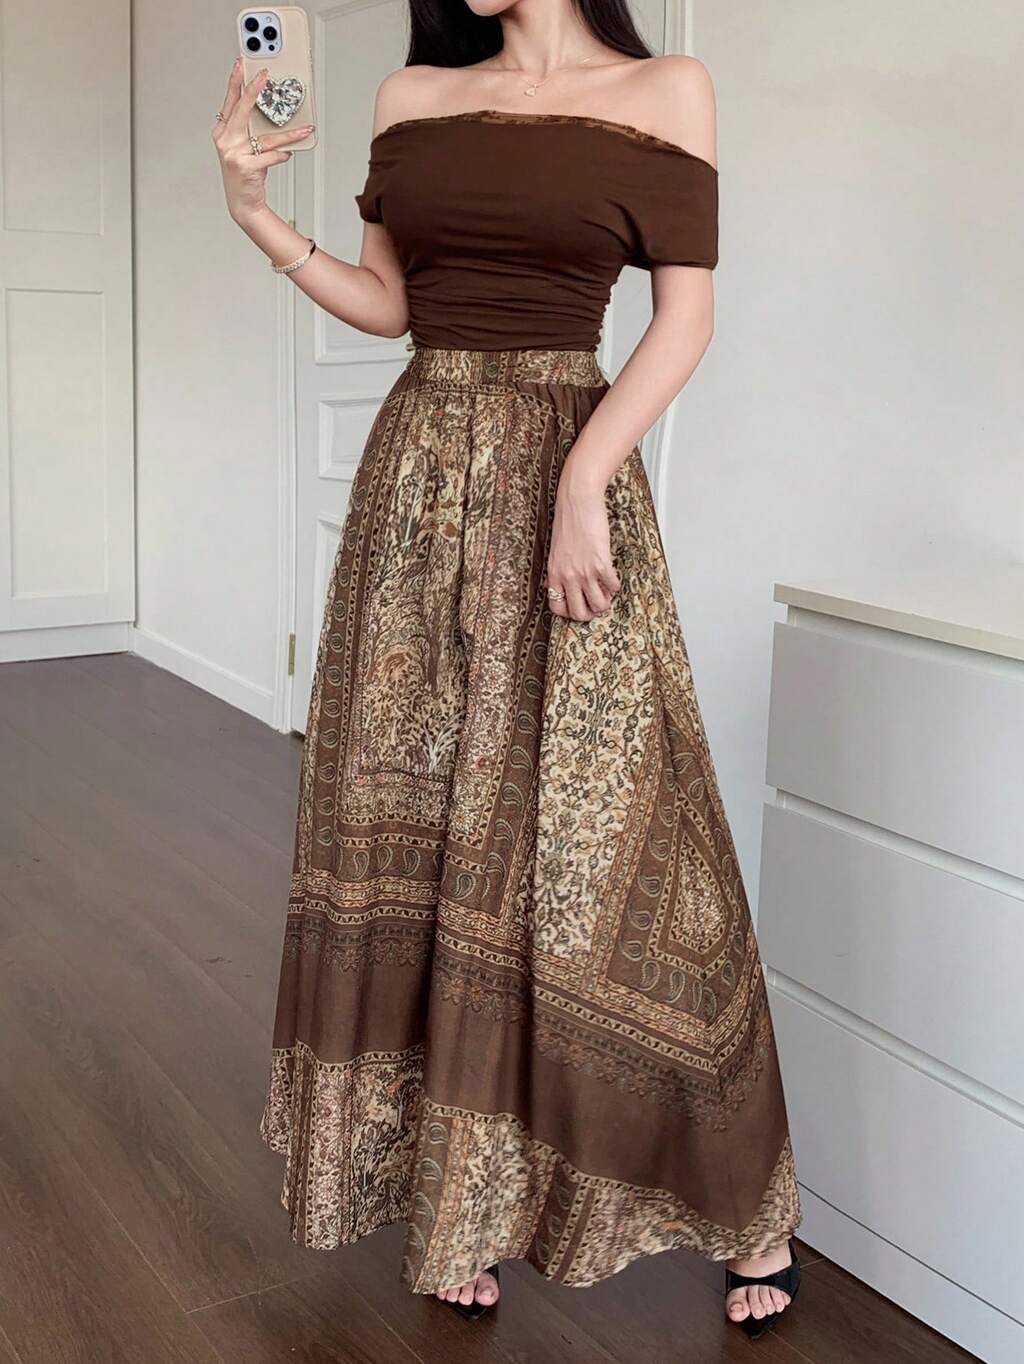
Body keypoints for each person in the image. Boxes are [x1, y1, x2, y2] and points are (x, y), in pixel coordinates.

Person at [213, 0, 802, 1339]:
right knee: (417, 837)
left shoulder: (668, 88)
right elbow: (390, 307)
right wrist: (254, 210)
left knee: (627, 842)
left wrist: (587, 477)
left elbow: (685, 317)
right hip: (416, 486)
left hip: (566, 479)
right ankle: (456, 1205)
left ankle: (746, 1206)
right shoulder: (411, 95)